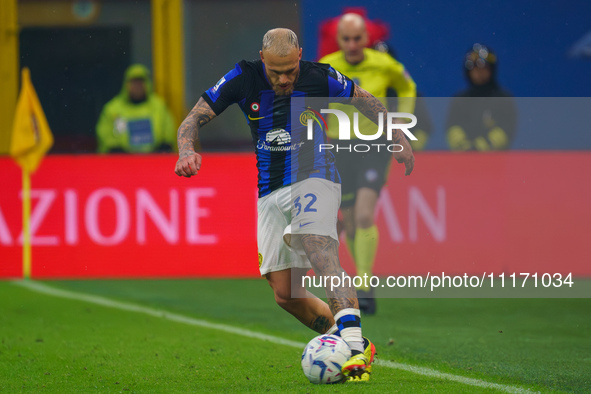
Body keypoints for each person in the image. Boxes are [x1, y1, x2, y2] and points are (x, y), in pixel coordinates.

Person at [174, 28, 414, 382]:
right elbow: (193, 118)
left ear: (300, 55)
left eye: (290, 71)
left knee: (319, 248)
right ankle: (354, 338)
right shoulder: (243, 77)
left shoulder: (320, 76)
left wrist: (397, 135)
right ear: (262, 59)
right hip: (270, 188)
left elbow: (365, 100)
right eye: (276, 72)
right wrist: (186, 149)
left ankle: (353, 351)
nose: (284, 79)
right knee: (285, 293)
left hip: (315, 174)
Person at [318, 13, 417, 315]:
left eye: (357, 38)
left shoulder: (384, 63)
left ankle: (364, 282)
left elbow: (407, 87)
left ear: (366, 39)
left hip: (375, 144)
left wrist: (399, 126)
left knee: (363, 214)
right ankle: (362, 281)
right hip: (339, 146)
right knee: (348, 219)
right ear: (339, 40)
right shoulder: (328, 65)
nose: (351, 45)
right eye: (345, 39)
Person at [447, 44, 517, 151]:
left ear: (491, 70)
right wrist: (464, 147)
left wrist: (481, 147)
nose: (478, 72)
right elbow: (452, 127)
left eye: (483, 67)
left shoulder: (503, 99)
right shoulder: (460, 100)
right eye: (473, 67)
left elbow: (505, 130)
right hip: (462, 161)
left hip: (494, 161)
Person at [96, 64, 176, 153]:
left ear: (147, 84)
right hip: (120, 162)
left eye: (141, 82)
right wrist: (115, 150)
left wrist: (163, 147)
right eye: (133, 82)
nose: (137, 86)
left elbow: (168, 132)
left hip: (154, 161)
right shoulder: (112, 109)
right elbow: (104, 134)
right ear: (126, 84)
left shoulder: (159, 106)